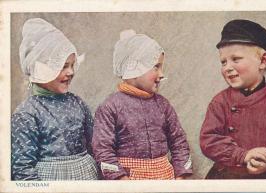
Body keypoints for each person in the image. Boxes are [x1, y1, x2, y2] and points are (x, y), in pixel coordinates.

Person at [92, 29, 192, 180]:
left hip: (165, 178)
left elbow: (179, 141)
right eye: (156, 67)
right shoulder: (110, 107)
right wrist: (121, 179)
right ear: (134, 68)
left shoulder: (163, 105)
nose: (162, 74)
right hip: (128, 181)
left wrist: (180, 176)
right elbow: (103, 149)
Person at [200, 19, 266, 179]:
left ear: (263, 60)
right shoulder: (220, 102)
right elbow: (209, 141)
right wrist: (242, 155)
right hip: (228, 177)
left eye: (236, 59)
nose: (227, 67)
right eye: (223, 62)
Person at [11, 18, 98, 180]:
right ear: (42, 68)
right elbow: (22, 167)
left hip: (87, 177)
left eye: (72, 65)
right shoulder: (27, 113)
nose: (71, 72)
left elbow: (96, 144)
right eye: (63, 66)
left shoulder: (77, 103)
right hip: (49, 181)